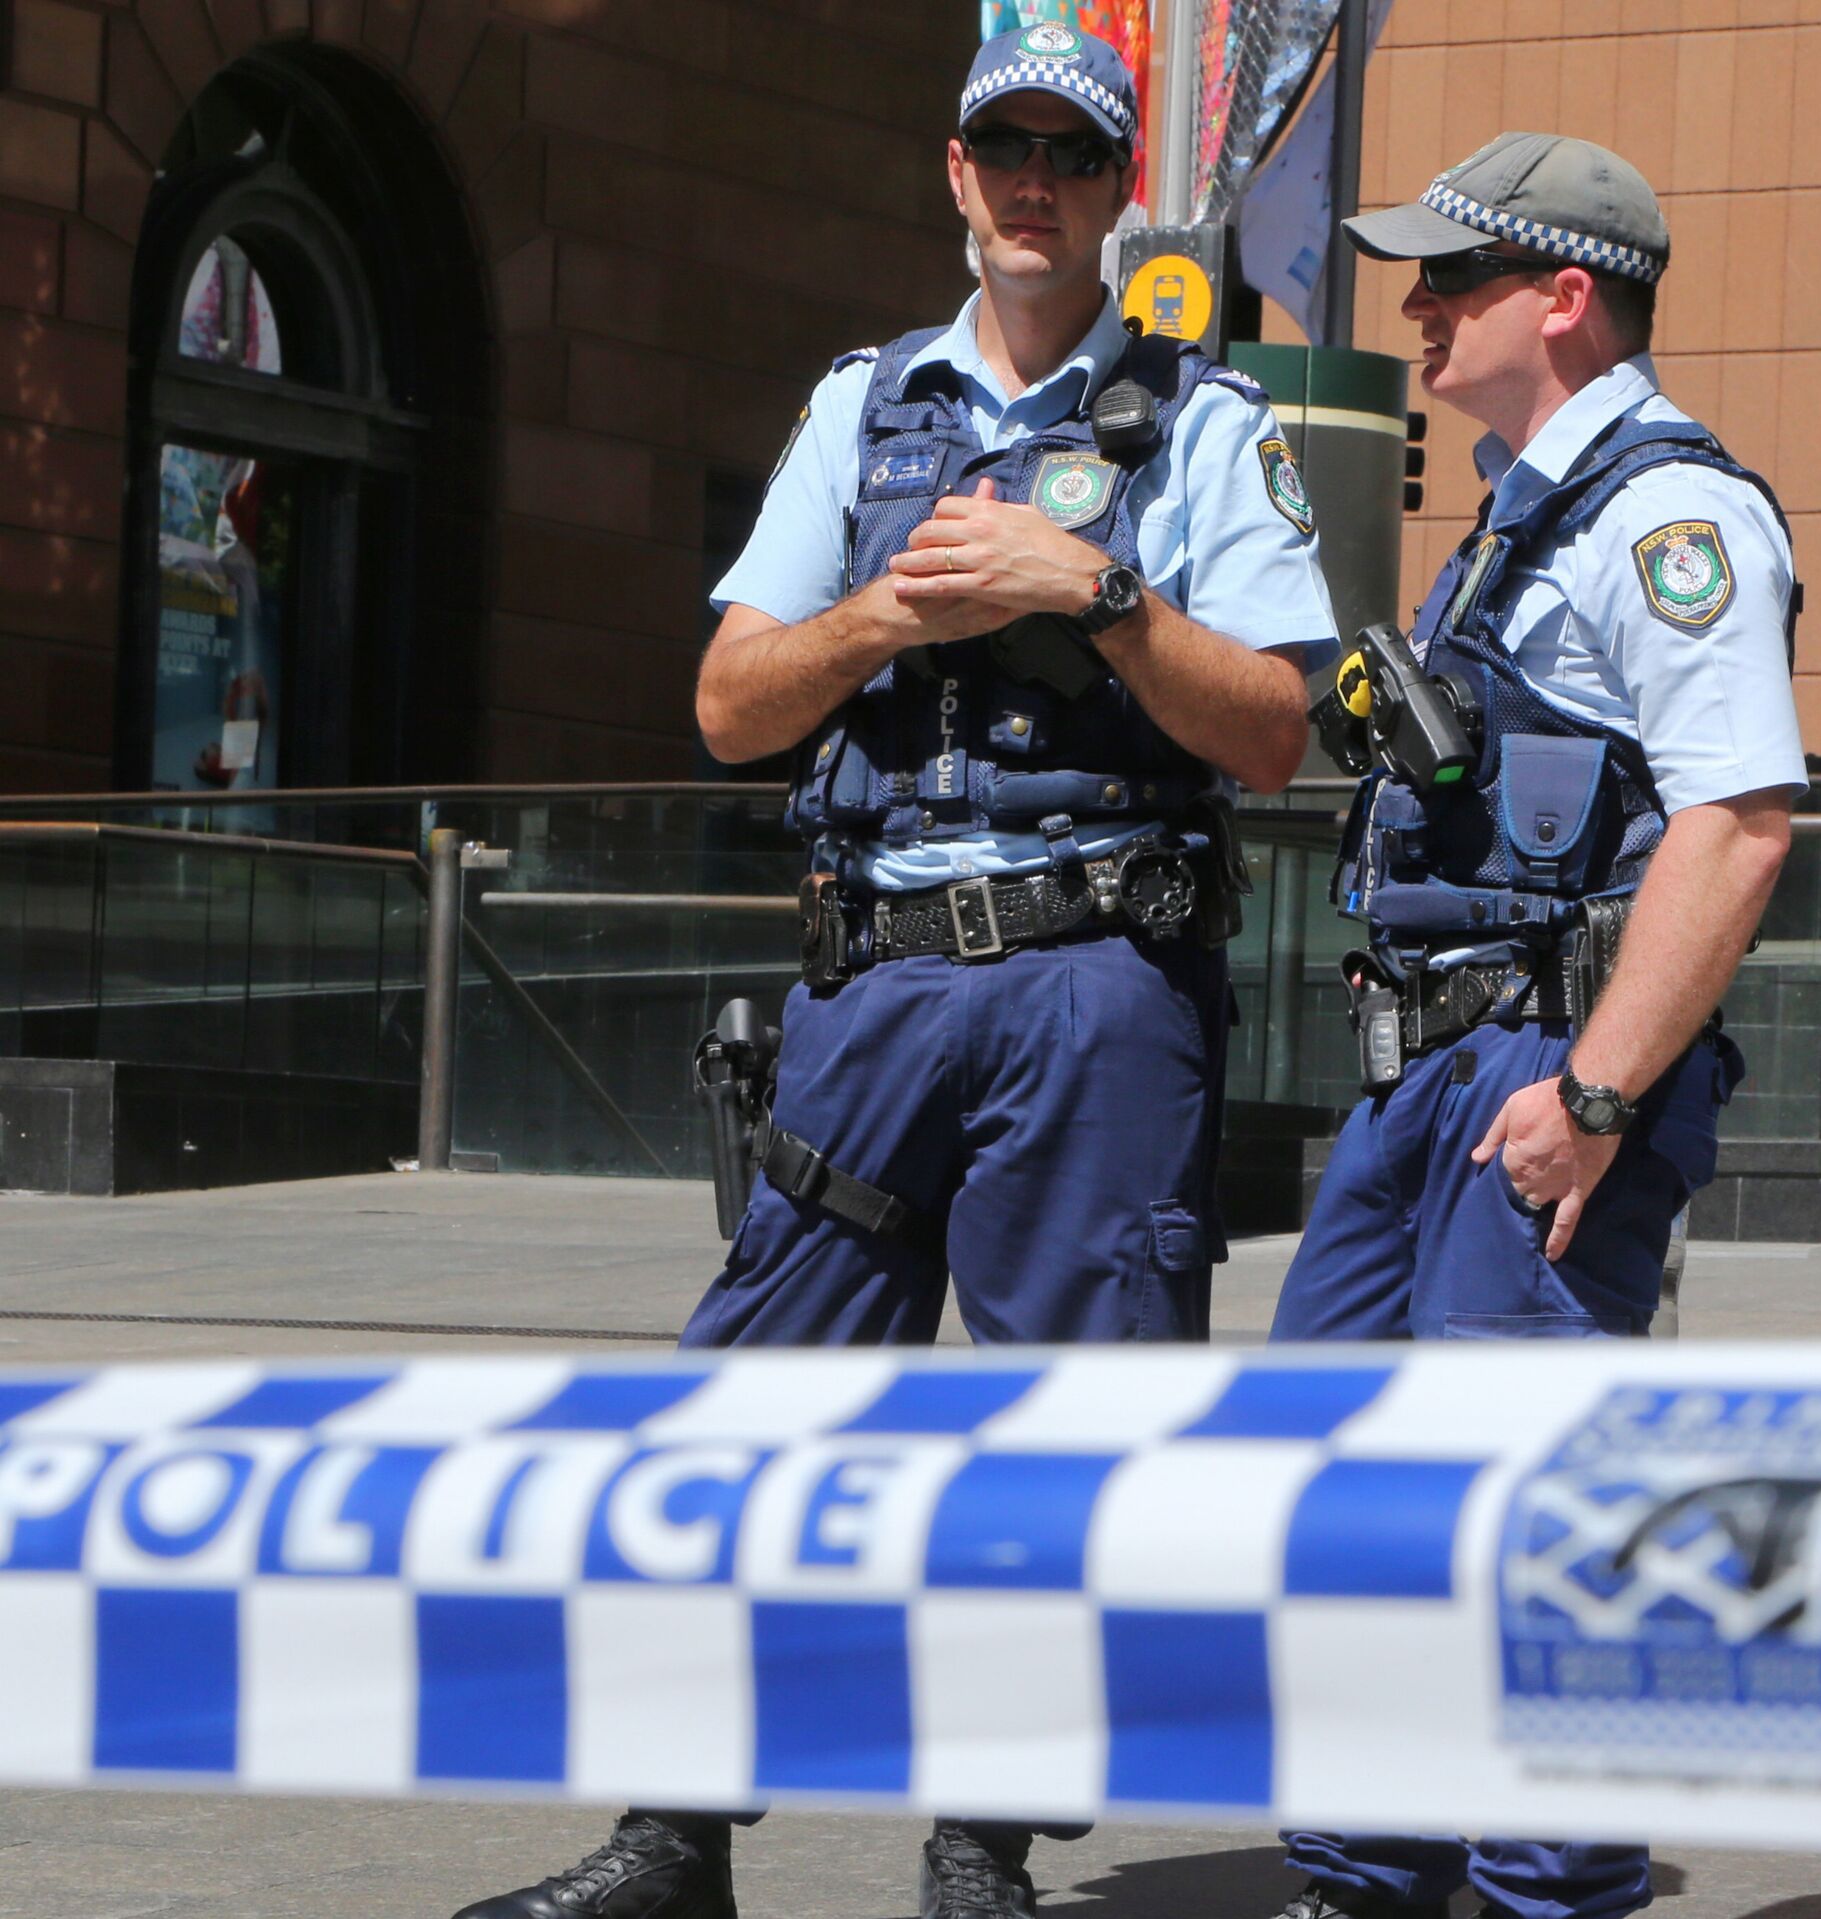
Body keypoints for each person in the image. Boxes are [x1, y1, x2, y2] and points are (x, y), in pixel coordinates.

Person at [453, 24, 1337, 1919]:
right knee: (747, 1405)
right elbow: (727, 705)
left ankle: (979, 1854)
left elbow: (1277, 732)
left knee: (1058, 1446)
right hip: (872, 984)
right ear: (955, 173)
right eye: (1004, 147)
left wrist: (1092, 593)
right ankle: (672, 1838)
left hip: (1098, 982)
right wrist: (885, 612)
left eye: (1073, 156)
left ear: (1117, 194)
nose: (1035, 184)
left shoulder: (1203, 423)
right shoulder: (863, 408)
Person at [1269, 133, 1806, 1919]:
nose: (1417, 310)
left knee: (1528, 1518)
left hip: (1539, 1074)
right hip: (1429, 1066)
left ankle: (1542, 1895)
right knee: (1347, 1488)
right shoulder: (1521, 508)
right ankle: (1365, 1871)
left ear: (1564, 298)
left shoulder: (1669, 520)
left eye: (1453, 278)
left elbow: (1737, 825)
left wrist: (1597, 1090)